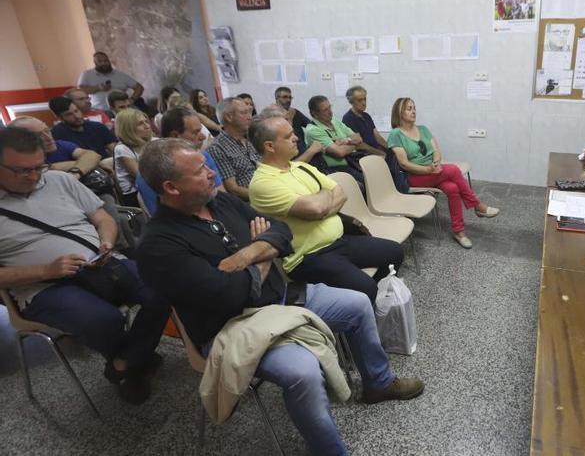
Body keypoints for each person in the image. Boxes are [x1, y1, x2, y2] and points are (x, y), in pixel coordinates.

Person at [136, 138, 424, 455]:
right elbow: (230, 297)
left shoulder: (220, 202)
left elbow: (280, 231)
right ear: (171, 187)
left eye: (208, 165)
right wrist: (263, 252)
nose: (211, 173)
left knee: (357, 303)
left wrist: (248, 256)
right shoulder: (158, 245)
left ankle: (378, 383)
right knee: (303, 371)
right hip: (234, 327)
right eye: (200, 169)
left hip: (281, 297)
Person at [0, 127, 169, 404]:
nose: (32, 177)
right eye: (21, 171)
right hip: (44, 286)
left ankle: (125, 363)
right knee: (103, 319)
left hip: (100, 264)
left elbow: (103, 218)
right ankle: (134, 363)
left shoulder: (57, 180)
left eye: (37, 167)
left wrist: (106, 242)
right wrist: (45, 270)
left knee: (165, 286)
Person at [249, 115, 404, 302]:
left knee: (395, 252)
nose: (296, 137)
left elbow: (341, 193)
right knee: (366, 289)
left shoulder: (299, 167)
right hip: (307, 257)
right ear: (270, 146)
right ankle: (361, 312)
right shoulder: (263, 183)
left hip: (338, 240)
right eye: (288, 136)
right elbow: (316, 208)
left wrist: (322, 205)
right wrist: (323, 197)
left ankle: (371, 304)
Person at [387, 97, 500, 249]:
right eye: (409, 108)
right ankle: (477, 205)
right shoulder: (396, 134)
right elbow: (404, 163)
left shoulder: (423, 129)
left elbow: (436, 150)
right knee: (453, 169)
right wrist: (428, 169)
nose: (413, 111)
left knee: (452, 188)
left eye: (414, 108)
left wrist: (435, 162)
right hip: (415, 176)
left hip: (434, 172)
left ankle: (458, 232)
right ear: (399, 112)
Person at [135, 107, 224, 215]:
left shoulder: (203, 156)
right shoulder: (151, 173)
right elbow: (162, 219)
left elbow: (222, 196)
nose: (203, 136)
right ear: (175, 136)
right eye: (195, 132)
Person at [304, 95, 371, 184]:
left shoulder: (334, 121)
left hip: (352, 160)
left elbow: (358, 138)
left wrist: (345, 141)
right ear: (315, 114)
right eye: (325, 110)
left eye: (330, 107)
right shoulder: (313, 130)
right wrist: (353, 145)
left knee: (374, 174)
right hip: (335, 169)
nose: (330, 112)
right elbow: (339, 153)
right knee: (367, 182)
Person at [7, 116, 101, 178]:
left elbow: (92, 155)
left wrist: (75, 173)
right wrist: (83, 164)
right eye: (38, 135)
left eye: (47, 131)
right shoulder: (16, 159)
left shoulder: (59, 145)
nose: (48, 138)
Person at [207, 97, 260, 200]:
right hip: (252, 202)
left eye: (249, 112)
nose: (250, 117)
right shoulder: (217, 148)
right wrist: (265, 197)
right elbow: (233, 189)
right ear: (229, 117)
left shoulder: (250, 139)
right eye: (244, 113)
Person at [48, 96, 117, 160]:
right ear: (59, 118)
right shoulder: (56, 135)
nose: (77, 116)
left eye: (76, 111)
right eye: (69, 114)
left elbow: (115, 151)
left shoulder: (98, 127)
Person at [76, 51, 144, 112]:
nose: (104, 63)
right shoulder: (87, 74)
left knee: (139, 114)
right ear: (95, 63)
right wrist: (98, 88)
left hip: (124, 109)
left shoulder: (120, 75)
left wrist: (132, 100)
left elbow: (139, 87)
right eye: (100, 61)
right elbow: (79, 91)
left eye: (106, 60)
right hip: (101, 111)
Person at [113, 109, 154, 207]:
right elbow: (140, 175)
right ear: (128, 129)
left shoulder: (154, 141)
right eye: (140, 124)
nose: (147, 126)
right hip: (135, 195)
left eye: (146, 122)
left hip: (154, 187)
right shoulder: (122, 149)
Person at [341, 86, 388, 155]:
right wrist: (380, 153)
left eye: (365, 99)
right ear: (352, 102)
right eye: (360, 100)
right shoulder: (348, 118)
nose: (364, 103)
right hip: (364, 154)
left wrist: (390, 149)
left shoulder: (366, 116)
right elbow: (359, 145)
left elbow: (378, 137)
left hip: (377, 150)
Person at [275, 86, 313, 152]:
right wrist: (289, 119)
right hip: (287, 152)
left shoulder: (294, 112)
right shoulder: (272, 115)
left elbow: (311, 125)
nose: (288, 100)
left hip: (302, 149)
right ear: (277, 99)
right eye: (285, 97)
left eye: (290, 97)